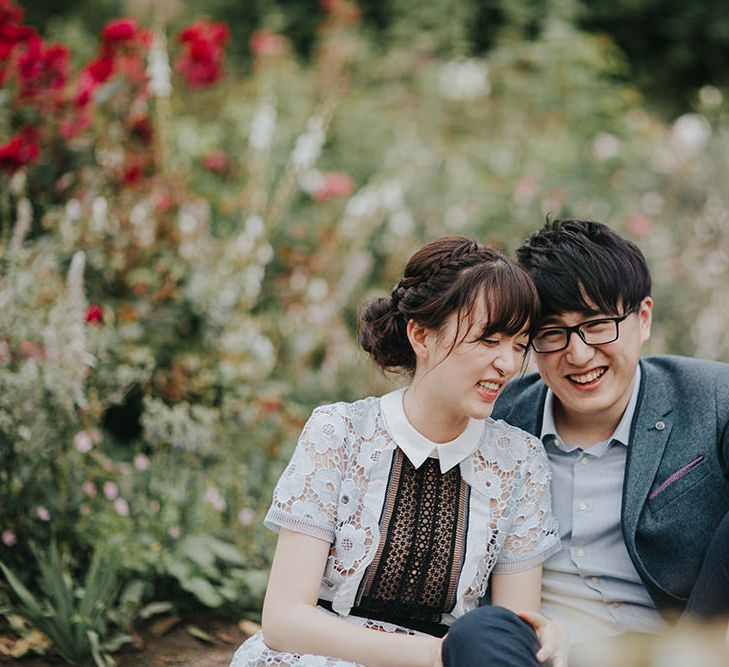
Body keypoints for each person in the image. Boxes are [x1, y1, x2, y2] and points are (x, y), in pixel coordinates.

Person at [230, 236, 565, 667]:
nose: (506, 363)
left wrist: (534, 638)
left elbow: (510, 625)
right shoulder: (342, 433)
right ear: (421, 335)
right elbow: (283, 620)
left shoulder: (519, 461)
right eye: (488, 339)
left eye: (518, 345)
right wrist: (433, 654)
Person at [489, 219, 729, 660]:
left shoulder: (715, 400)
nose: (578, 355)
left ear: (644, 319)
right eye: (552, 333)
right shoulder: (498, 419)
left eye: (598, 325)